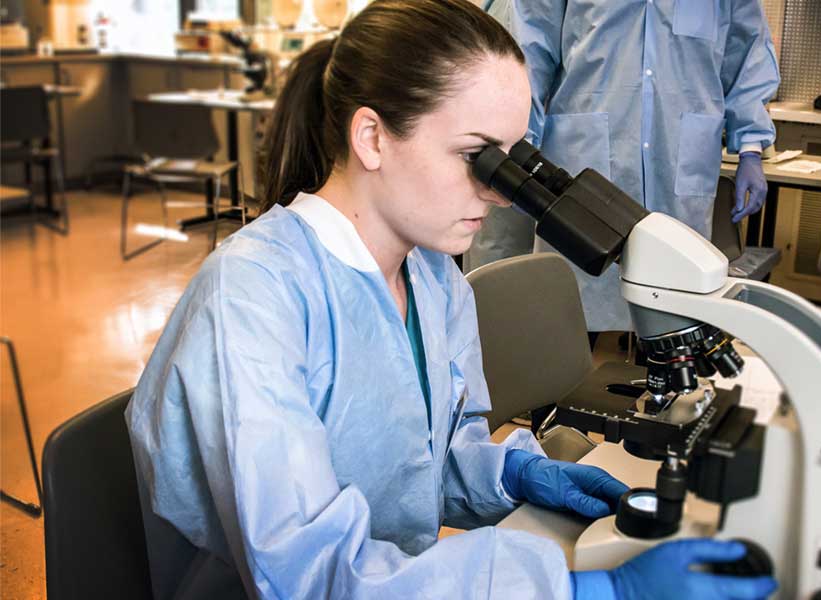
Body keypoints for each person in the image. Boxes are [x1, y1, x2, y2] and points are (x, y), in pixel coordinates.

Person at [125, 2, 777, 599]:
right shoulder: (252, 296)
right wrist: (587, 594)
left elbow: (425, 458)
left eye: (512, 162)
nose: (499, 193)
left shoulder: (432, 278)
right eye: (477, 158)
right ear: (373, 137)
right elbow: (309, 574)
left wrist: (512, 475)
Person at [476, 0, 781, 333]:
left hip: (678, 159)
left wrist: (751, 147)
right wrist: (518, 143)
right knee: (572, 303)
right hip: (583, 160)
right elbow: (526, 53)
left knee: (675, 301)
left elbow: (746, 53)